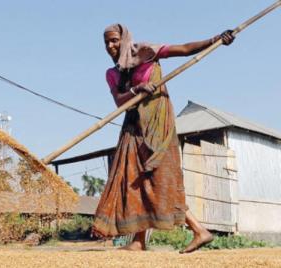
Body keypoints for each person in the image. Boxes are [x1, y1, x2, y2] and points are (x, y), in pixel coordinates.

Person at [92, 24, 234, 253]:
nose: (110, 46)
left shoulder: (147, 52)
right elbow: (120, 101)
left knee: (161, 179)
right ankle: (139, 241)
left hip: (158, 126)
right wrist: (137, 90)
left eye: (115, 40)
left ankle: (199, 231)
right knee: (134, 179)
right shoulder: (113, 74)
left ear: (125, 39)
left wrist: (216, 39)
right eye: (106, 42)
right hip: (133, 128)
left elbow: (185, 49)